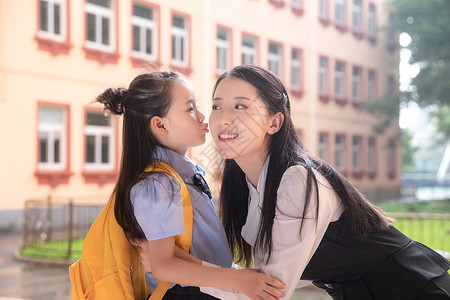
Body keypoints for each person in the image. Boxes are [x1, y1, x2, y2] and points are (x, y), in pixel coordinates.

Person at [200, 65, 450, 300]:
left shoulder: (298, 180)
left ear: (274, 122)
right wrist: (184, 267)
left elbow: (270, 290)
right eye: (216, 106)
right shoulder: (247, 186)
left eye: (241, 106)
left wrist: (183, 271)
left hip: (413, 289)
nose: (224, 119)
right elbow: (260, 278)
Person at [96, 70, 285, 300]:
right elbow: (163, 266)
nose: (202, 116)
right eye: (190, 109)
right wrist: (237, 279)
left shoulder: (178, 176)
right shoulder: (158, 184)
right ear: (160, 125)